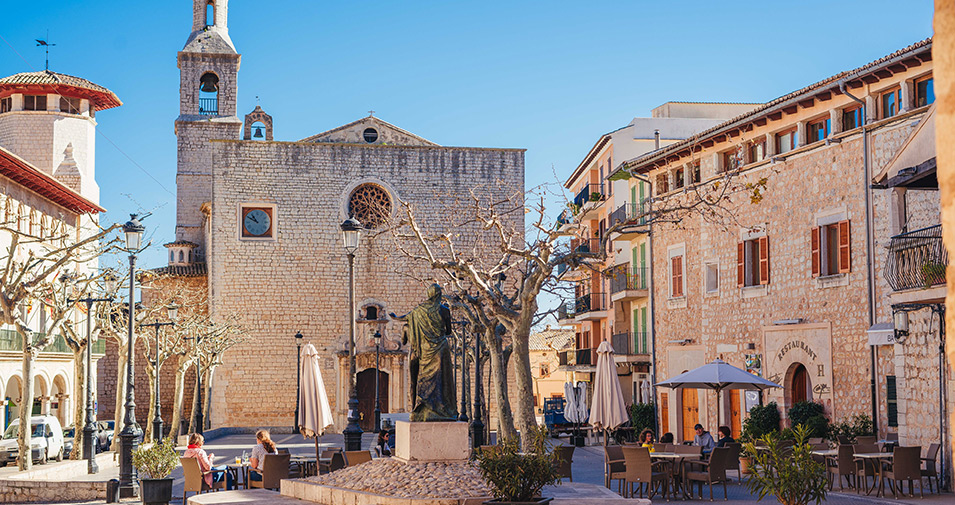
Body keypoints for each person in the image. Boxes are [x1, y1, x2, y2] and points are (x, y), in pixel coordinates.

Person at [390, 284, 458, 421]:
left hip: (425, 351)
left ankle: (424, 408)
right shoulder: (444, 310)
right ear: (438, 295)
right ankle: (442, 409)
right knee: (441, 379)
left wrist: (394, 317)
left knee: (424, 378)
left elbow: (403, 318)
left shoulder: (418, 311)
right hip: (440, 348)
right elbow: (448, 331)